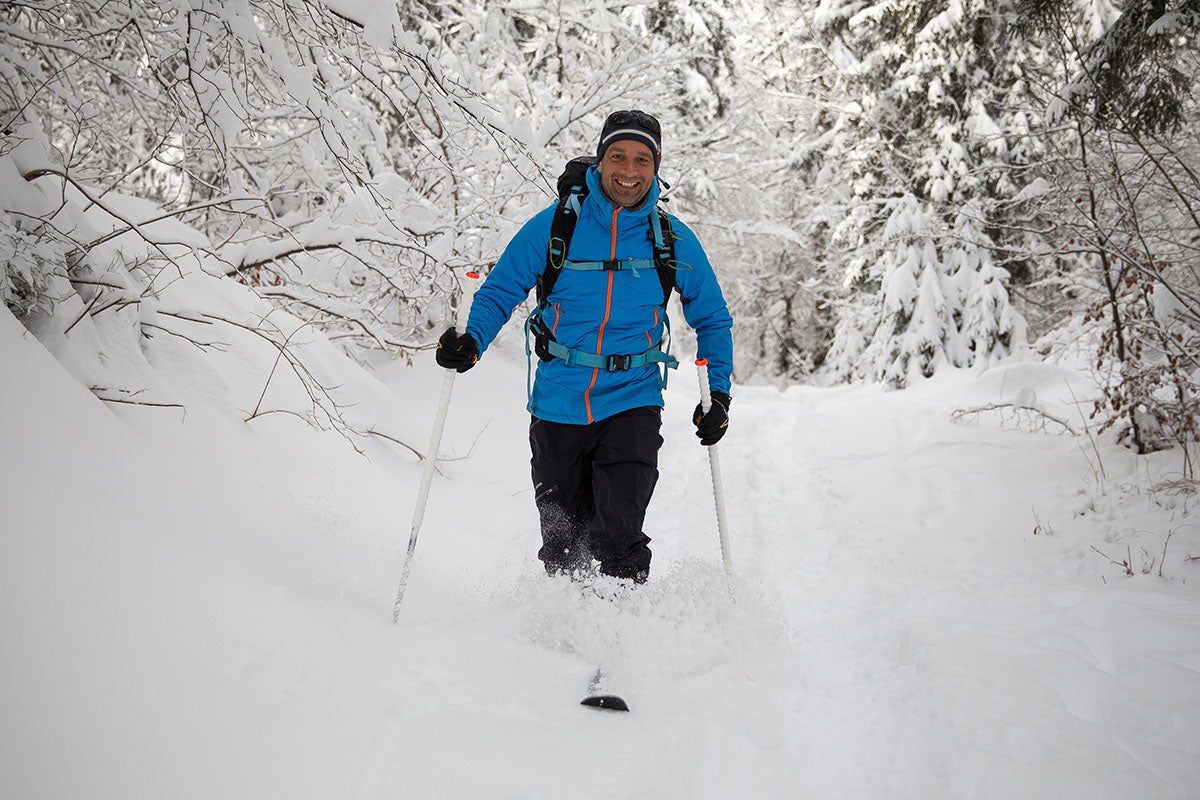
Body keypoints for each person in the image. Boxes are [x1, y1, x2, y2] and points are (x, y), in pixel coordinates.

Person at [436, 109, 733, 584]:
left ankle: (617, 639)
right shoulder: (556, 227)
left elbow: (713, 318)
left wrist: (718, 394)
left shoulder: (671, 239)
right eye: (618, 156)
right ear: (600, 160)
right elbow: (500, 290)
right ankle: (567, 635)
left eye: (642, 159)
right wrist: (472, 340)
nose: (629, 171)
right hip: (558, 401)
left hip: (632, 399)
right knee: (562, 541)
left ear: (656, 167)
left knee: (619, 534)